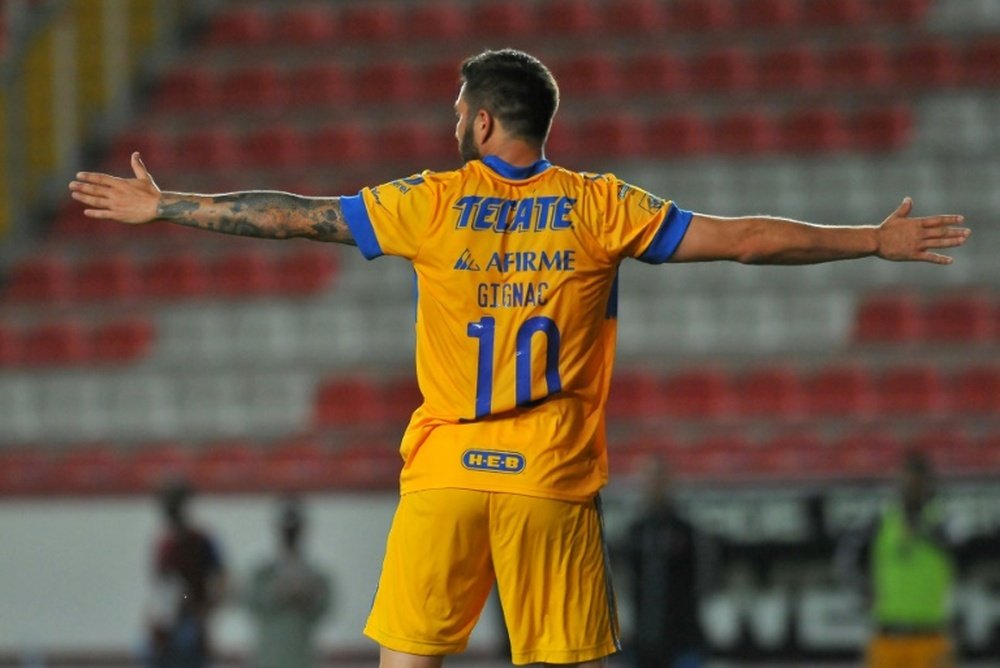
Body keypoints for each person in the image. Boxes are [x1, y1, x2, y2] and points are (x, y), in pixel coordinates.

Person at [69, 48, 970, 668]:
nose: (450, 120)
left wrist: (171, 206)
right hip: (548, 474)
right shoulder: (597, 205)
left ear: (489, 121)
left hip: (446, 472)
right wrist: (870, 240)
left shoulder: (431, 201)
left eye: (458, 109)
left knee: (408, 659)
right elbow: (745, 240)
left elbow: (298, 214)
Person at [835, 450, 958, 668]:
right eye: (906, 479)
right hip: (887, 636)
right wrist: (861, 588)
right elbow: (846, 555)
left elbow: (958, 546)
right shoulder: (881, 520)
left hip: (930, 635)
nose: (911, 487)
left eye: (918, 481)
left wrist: (921, 526)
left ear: (928, 484)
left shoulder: (943, 520)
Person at [618, 456, 717, 668]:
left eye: (659, 479)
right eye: (649, 479)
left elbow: (705, 581)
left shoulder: (688, 533)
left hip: (683, 641)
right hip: (641, 642)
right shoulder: (635, 533)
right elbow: (625, 583)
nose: (654, 486)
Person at [146, 479, 226, 668]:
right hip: (167, 624)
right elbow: (162, 585)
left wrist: (206, 609)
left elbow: (221, 576)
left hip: (192, 622)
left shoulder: (200, 540)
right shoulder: (165, 544)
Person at [245, 497, 332, 668]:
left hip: (301, 655)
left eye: (294, 530)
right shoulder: (263, 574)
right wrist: (277, 592)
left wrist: (305, 594)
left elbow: (325, 605)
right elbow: (248, 600)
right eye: (287, 530)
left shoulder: (313, 575)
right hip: (268, 657)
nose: (290, 535)